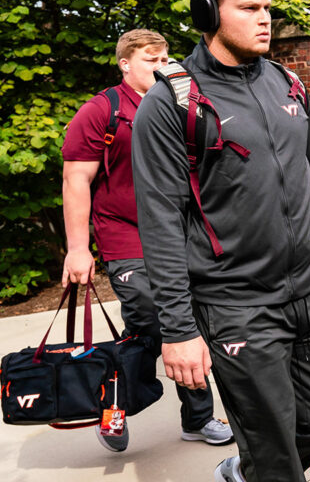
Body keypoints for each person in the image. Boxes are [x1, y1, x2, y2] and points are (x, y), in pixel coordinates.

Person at [131, 0, 310, 482]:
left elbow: (308, 181)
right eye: (249, 8)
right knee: (274, 449)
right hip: (237, 307)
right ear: (207, 13)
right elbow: (161, 220)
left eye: (267, 8)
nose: (264, 19)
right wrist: (179, 329)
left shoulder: (288, 84)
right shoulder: (172, 102)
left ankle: (251, 467)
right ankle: (265, 466)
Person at [61, 29, 234, 453]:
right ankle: (118, 409)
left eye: (164, 59)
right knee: (156, 322)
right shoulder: (103, 110)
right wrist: (78, 248)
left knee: (170, 327)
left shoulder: (179, 102)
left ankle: (188, 418)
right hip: (126, 236)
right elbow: (76, 180)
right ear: (125, 64)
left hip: (179, 232)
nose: (161, 67)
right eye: (150, 60)